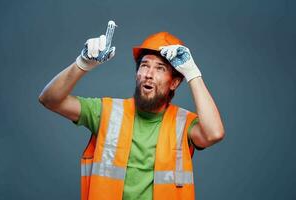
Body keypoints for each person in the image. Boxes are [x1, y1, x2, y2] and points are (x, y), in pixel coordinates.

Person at [39, 29, 225, 200]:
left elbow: (214, 133)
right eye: (144, 65)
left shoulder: (184, 124)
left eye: (160, 68)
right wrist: (82, 63)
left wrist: (192, 73)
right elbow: (50, 99)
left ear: (174, 83)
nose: (149, 74)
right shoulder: (106, 111)